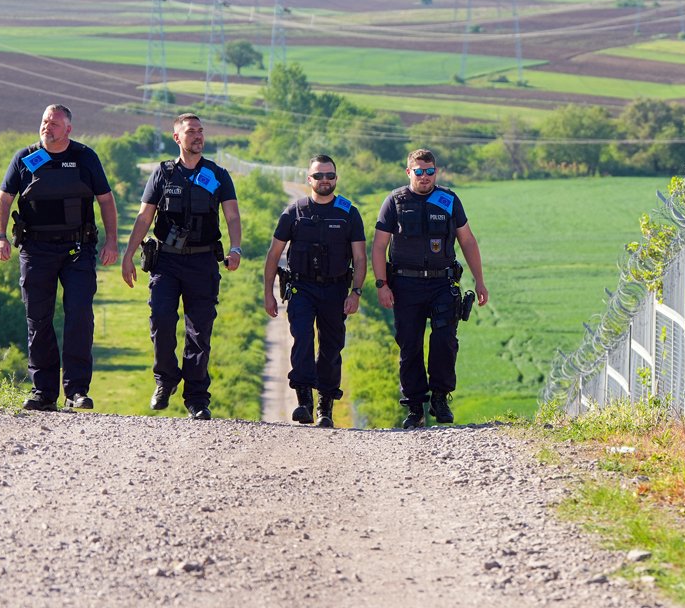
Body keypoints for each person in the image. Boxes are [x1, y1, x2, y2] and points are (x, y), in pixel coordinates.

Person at [0, 104, 119, 412]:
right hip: (36, 250)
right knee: (39, 319)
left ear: (68, 130)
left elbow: (106, 200)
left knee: (79, 316)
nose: (47, 127)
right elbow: (4, 198)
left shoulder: (85, 157)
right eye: (44, 121)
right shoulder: (24, 158)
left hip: (78, 250)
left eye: (54, 123)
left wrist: (112, 241)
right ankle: (43, 392)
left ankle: (77, 390)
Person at [121, 113, 242, 420]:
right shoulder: (162, 174)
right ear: (177, 138)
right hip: (167, 261)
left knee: (200, 332)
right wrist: (127, 255)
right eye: (191, 132)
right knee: (161, 320)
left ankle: (197, 398)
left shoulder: (217, 174)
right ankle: (165, 380)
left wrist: (236, 247)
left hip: (202, 261)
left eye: (201, 131)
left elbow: (232, 216)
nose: (198, 136)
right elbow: (144, 218)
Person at [372, 149, 488, 429]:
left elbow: (468, 241)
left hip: (441, 282)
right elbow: (378, 246)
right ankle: (415, 407)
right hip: (405, 284)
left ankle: (440, 397)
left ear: (436, 171)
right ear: (409, 172)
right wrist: (381, 284)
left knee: (445, 341)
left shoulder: (448, 200)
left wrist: (480, 281)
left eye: (430, 171)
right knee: (409, 345)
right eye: (419, 171)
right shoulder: (395, 201)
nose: (425, 177)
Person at [263, 155, 366, 428]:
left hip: (335, 289)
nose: (324, 181)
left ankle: (326, 407)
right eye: (318, 176)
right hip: (302, 288)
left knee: (331, 348)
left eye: (329, 176)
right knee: (303, 341)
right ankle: (304, 402)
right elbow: (274, 255)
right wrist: (268, 293)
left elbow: (360, 258)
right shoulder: (294, 212)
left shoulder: (348, 213)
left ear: (336, 178)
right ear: (308, 179)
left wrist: (355, 292)